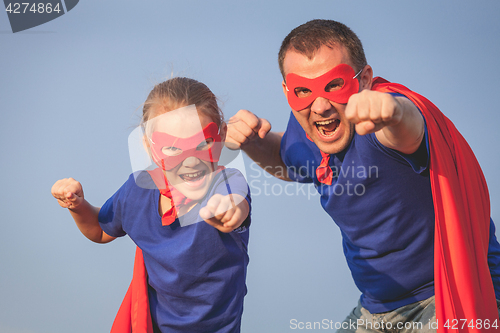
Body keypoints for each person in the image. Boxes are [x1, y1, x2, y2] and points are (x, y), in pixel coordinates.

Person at [226, 19, 500, 332]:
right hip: (377, 310)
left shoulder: (379, 124)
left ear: (365, 79)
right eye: (303, 91)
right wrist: (252, 142)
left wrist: (394, 111)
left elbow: (409, 130)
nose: (321, 106)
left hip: (446, 296)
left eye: (334, 85)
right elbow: (288, 162)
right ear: (288, 91)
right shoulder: (307, 131)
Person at [51, 77, 251, 333]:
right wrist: (77, 205)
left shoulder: (227, 182)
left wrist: (228, 209)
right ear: (149, 147)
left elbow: (236, 204)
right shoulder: (137, 190)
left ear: (221, 135)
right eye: (172, 148)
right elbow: (101, 230)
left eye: (203, 144)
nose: (190, 161)